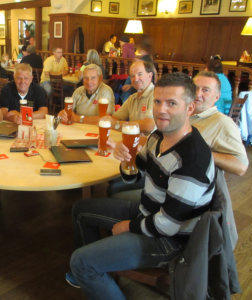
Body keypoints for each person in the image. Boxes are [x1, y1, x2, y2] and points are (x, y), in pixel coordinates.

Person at [66, 72, 215, 299]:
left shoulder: (192, 158)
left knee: (79, 260)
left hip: (169, 240)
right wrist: (127, 161)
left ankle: (89, 267)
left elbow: (168, 226)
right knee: (80, 210)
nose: (161, 109)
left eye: (171, 103)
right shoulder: (159, 136)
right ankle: (99, 269)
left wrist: (129, 226)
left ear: (190, 108)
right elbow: (134, 177)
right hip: (148, 212)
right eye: (157, 101)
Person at [192, 71, 248, 176]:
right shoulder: (183, 113)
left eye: (205, 90)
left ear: (217, 97)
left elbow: (241, 166)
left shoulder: (222, 123)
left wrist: (203, 154)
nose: (198, 94)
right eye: (195, 88)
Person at [113, 60, 156, 134]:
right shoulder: (132, 98)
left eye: (140, 74)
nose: (136, 79)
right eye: (132, 76)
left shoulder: (156, 95)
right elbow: (114, 118)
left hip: (149, 144)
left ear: (150, 75)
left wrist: (118, 125)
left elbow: (148, 126)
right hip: (133, 141)